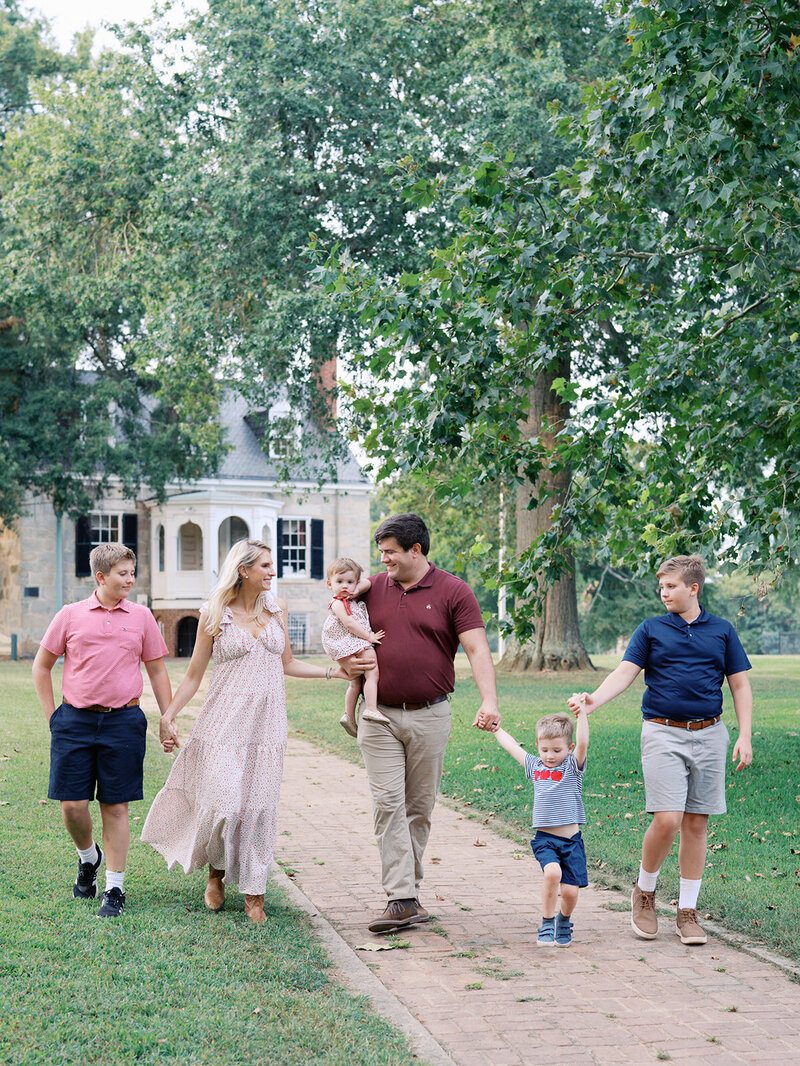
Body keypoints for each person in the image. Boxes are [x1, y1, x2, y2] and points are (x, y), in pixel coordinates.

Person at [141, 539, 356, 923]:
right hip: (223, 723)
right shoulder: (213, 613)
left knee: (257, 808)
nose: (273, 572)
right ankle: (216, 871)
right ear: (244, 570)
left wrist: (331, 671)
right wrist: (168, 715)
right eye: (265, 566)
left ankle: (255, 893)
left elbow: (287, 663)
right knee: (226, 805)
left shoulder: (277, 608)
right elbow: (193, 677)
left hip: (267, 726)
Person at [567, 553, 753, 946]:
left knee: (697, 823)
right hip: (662, 732)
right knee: (668, 819)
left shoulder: (721, 631)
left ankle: (687, 911)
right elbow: (625, 673)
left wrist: (744, 735)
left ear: (693, 588)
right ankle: (645, 891)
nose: (663, 592)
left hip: (709, 734)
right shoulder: (651, 629)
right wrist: (593, 701)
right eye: (661, 586)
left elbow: (739, 685)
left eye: (670, 586)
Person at [350, 512, 501, 933]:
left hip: (431, 713)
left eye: (391, 553)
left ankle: (409, 895)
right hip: (377, 714)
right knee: (387, 803)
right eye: (380, 553)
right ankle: (400, 897)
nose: (384, 561)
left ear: (416, 550)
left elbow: (477, 650)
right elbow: (339, 627)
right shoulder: (372, 589)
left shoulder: (454, 591)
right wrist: (345, 662)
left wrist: (489, 699)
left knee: (418, 808)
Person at [32, 542, 172, 919]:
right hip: (74, 721)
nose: (130, 579)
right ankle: (87, 857)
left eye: (132, 572)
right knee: (72, 805)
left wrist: (167, 716)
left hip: (124, 721)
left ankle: (114, 887)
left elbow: (157, 670)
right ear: (101, 576)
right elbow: (41, 666)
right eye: (123, 573)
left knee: (116, 805)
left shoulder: (141, 617)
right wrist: (53, 717)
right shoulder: (70, 615)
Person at [488, 711, 589, 947]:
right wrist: (496, 730)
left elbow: (583, 742)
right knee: (552, 873)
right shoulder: (535, 766)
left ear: (569, 747)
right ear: (537, 746)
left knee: (571, 893)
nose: (550, 756)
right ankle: (547, 921)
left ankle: (563, 920)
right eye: (544, 750)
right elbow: (513, 747)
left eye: (556, 750)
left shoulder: (572, 767)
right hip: (545, 840)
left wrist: (583, 713)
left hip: (571, 841)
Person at [321, 557, 389, 737]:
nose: (345, 586)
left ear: (356, 584)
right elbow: (350, 623)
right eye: (339, 581)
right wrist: (369, 637)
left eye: (350, 582)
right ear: (330, 584)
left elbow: (368, 584)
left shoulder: (352, 600)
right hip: (353, 642)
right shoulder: (337, 603)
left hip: (350, 643)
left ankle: (348, 715)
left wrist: (357, 588)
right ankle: (372, 708)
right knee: (372, 672)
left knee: (355, 682)